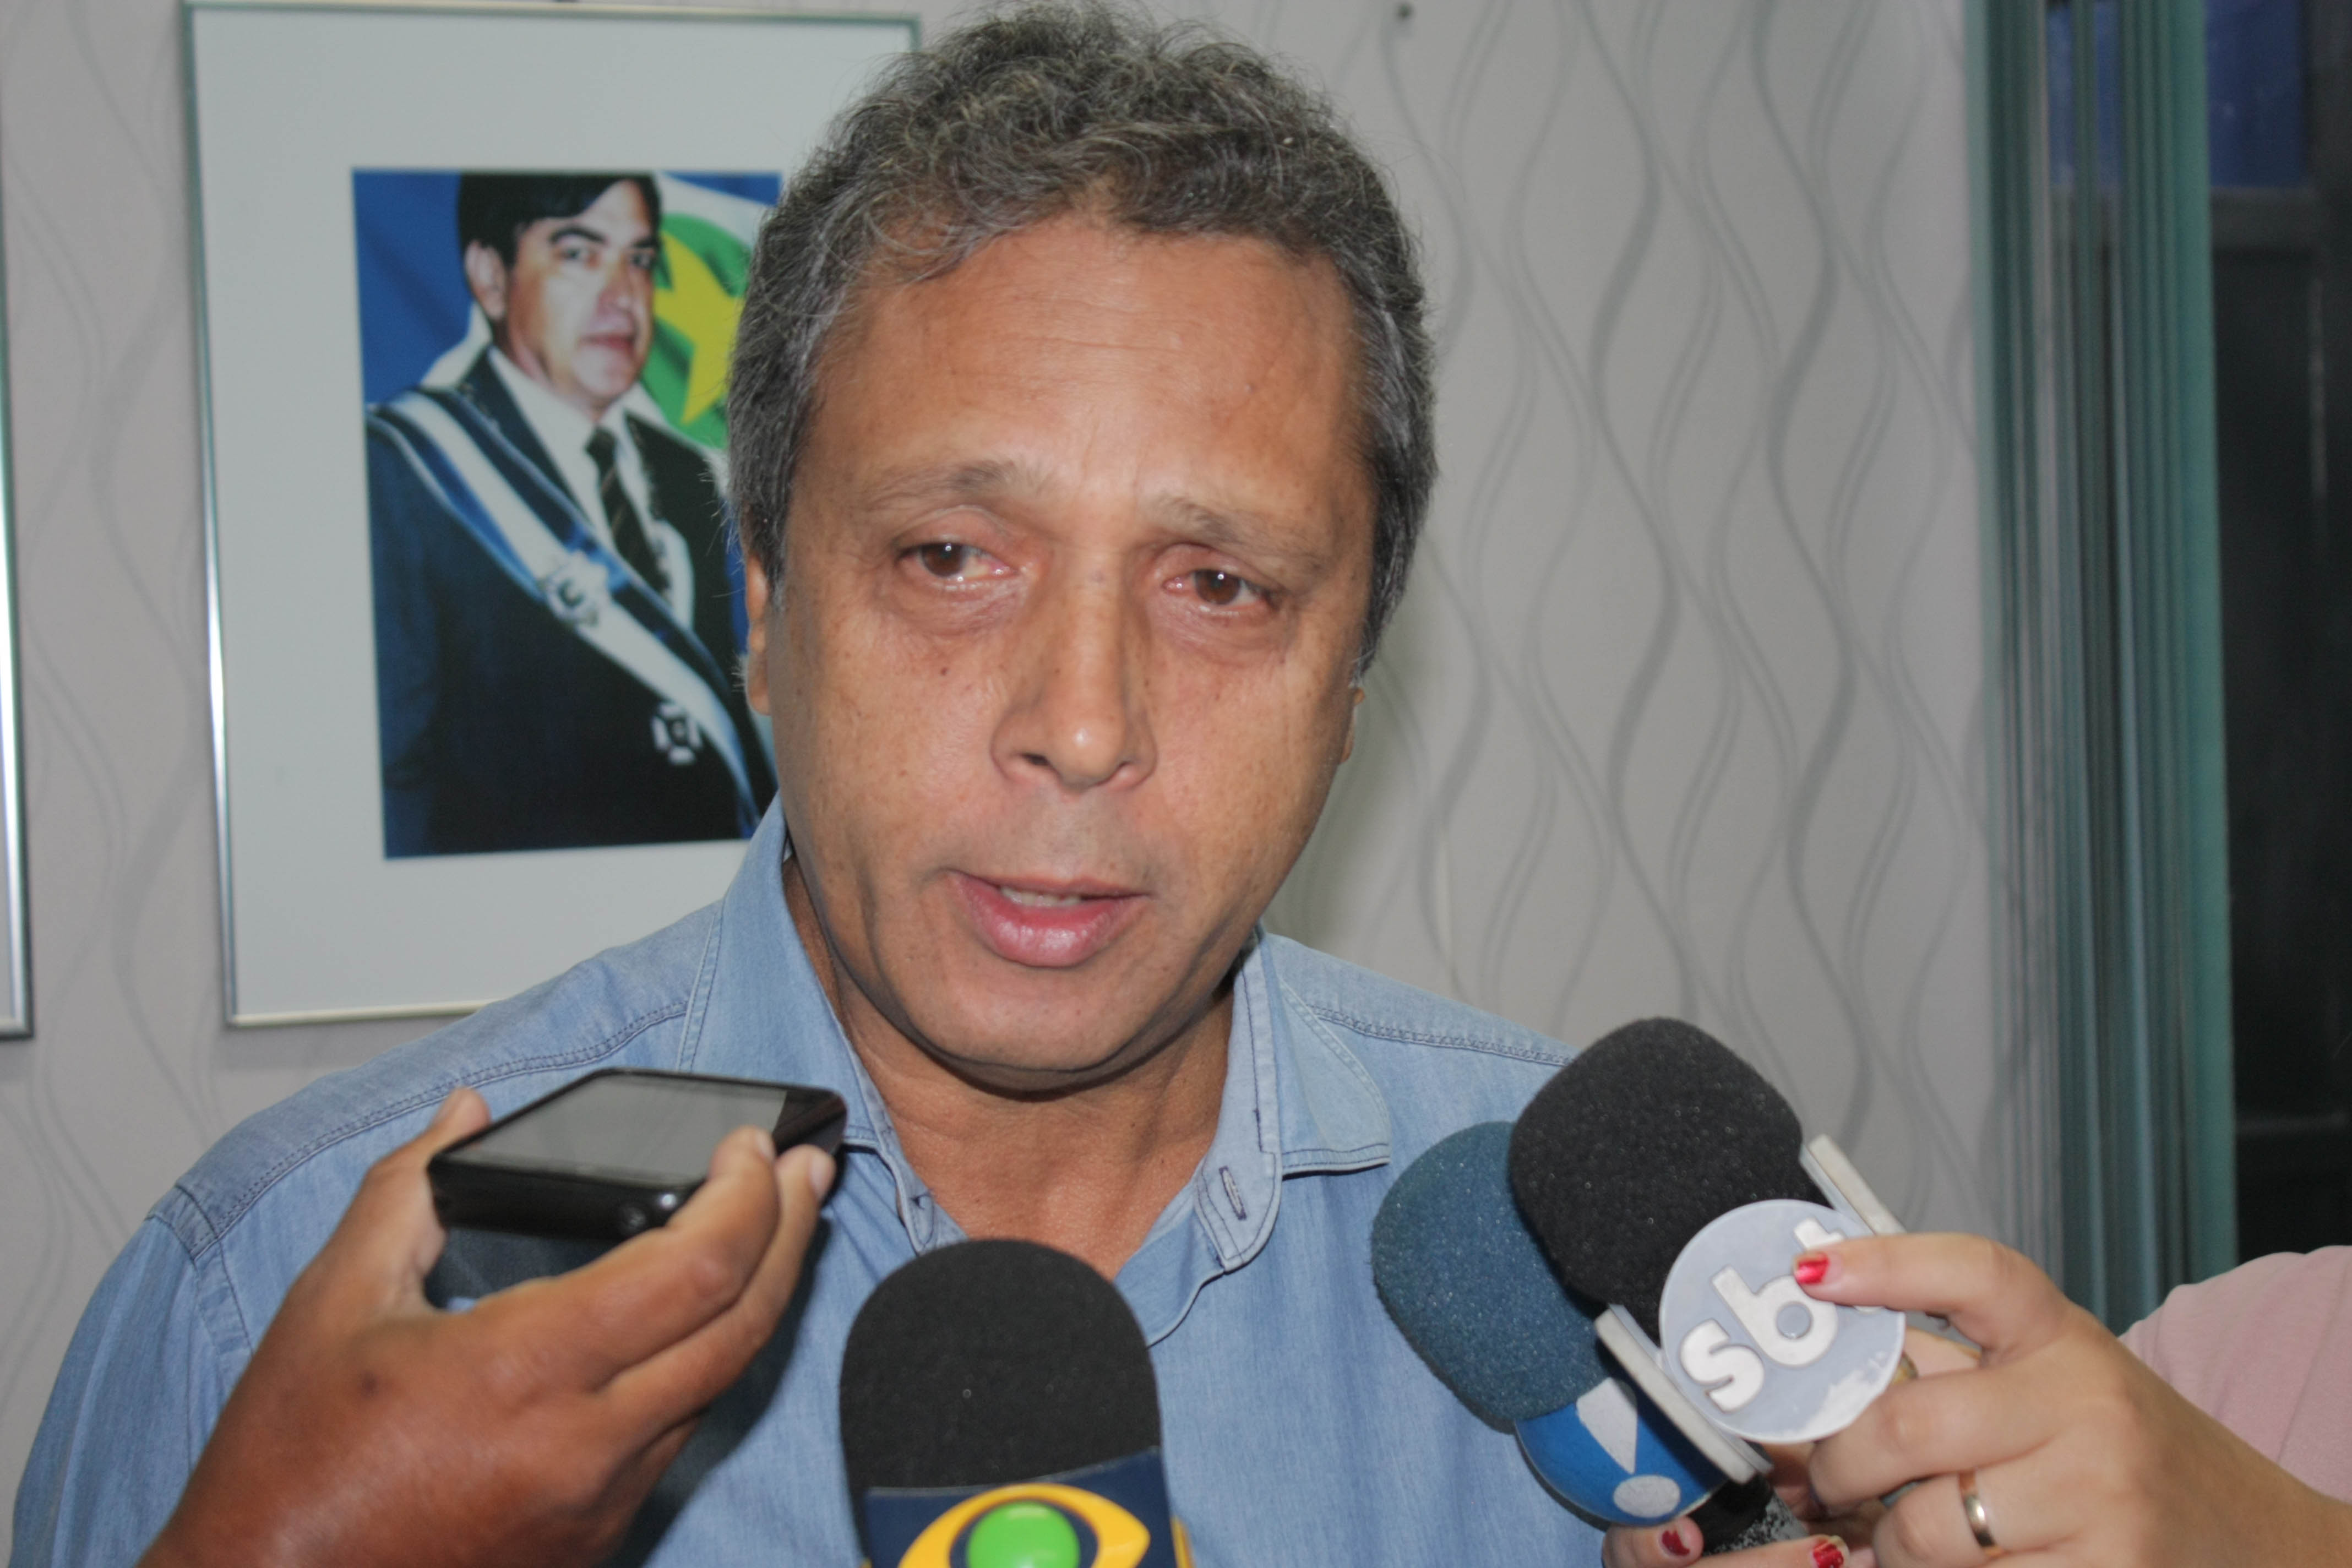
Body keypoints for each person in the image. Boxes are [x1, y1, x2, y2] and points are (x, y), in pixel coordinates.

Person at [19, 9, 1600, 1564]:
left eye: (1220, 585)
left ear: (1348, 692)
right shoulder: (274, 1303)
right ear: (765, 614)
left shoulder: (1613, 1272)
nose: (1080, 724)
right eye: (952, 557)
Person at [366, 171, 775, 857]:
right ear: (491, 278)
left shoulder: (681, 472)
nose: (622, 296)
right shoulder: (409, 473)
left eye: (639, 259)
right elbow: (399, 777)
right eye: (579, 253)